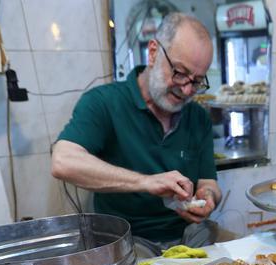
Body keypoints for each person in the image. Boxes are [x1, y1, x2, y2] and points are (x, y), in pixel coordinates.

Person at [51, 13, 221, 246]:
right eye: (180, 72)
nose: (186, 89)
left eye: (197, 81)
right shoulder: (105, 102)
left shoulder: (198, 117)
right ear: (153, 53)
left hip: (188, 234)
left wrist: (207, 197)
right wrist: (146, 182)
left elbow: (209, 183)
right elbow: (63, 162)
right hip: (128, 239)